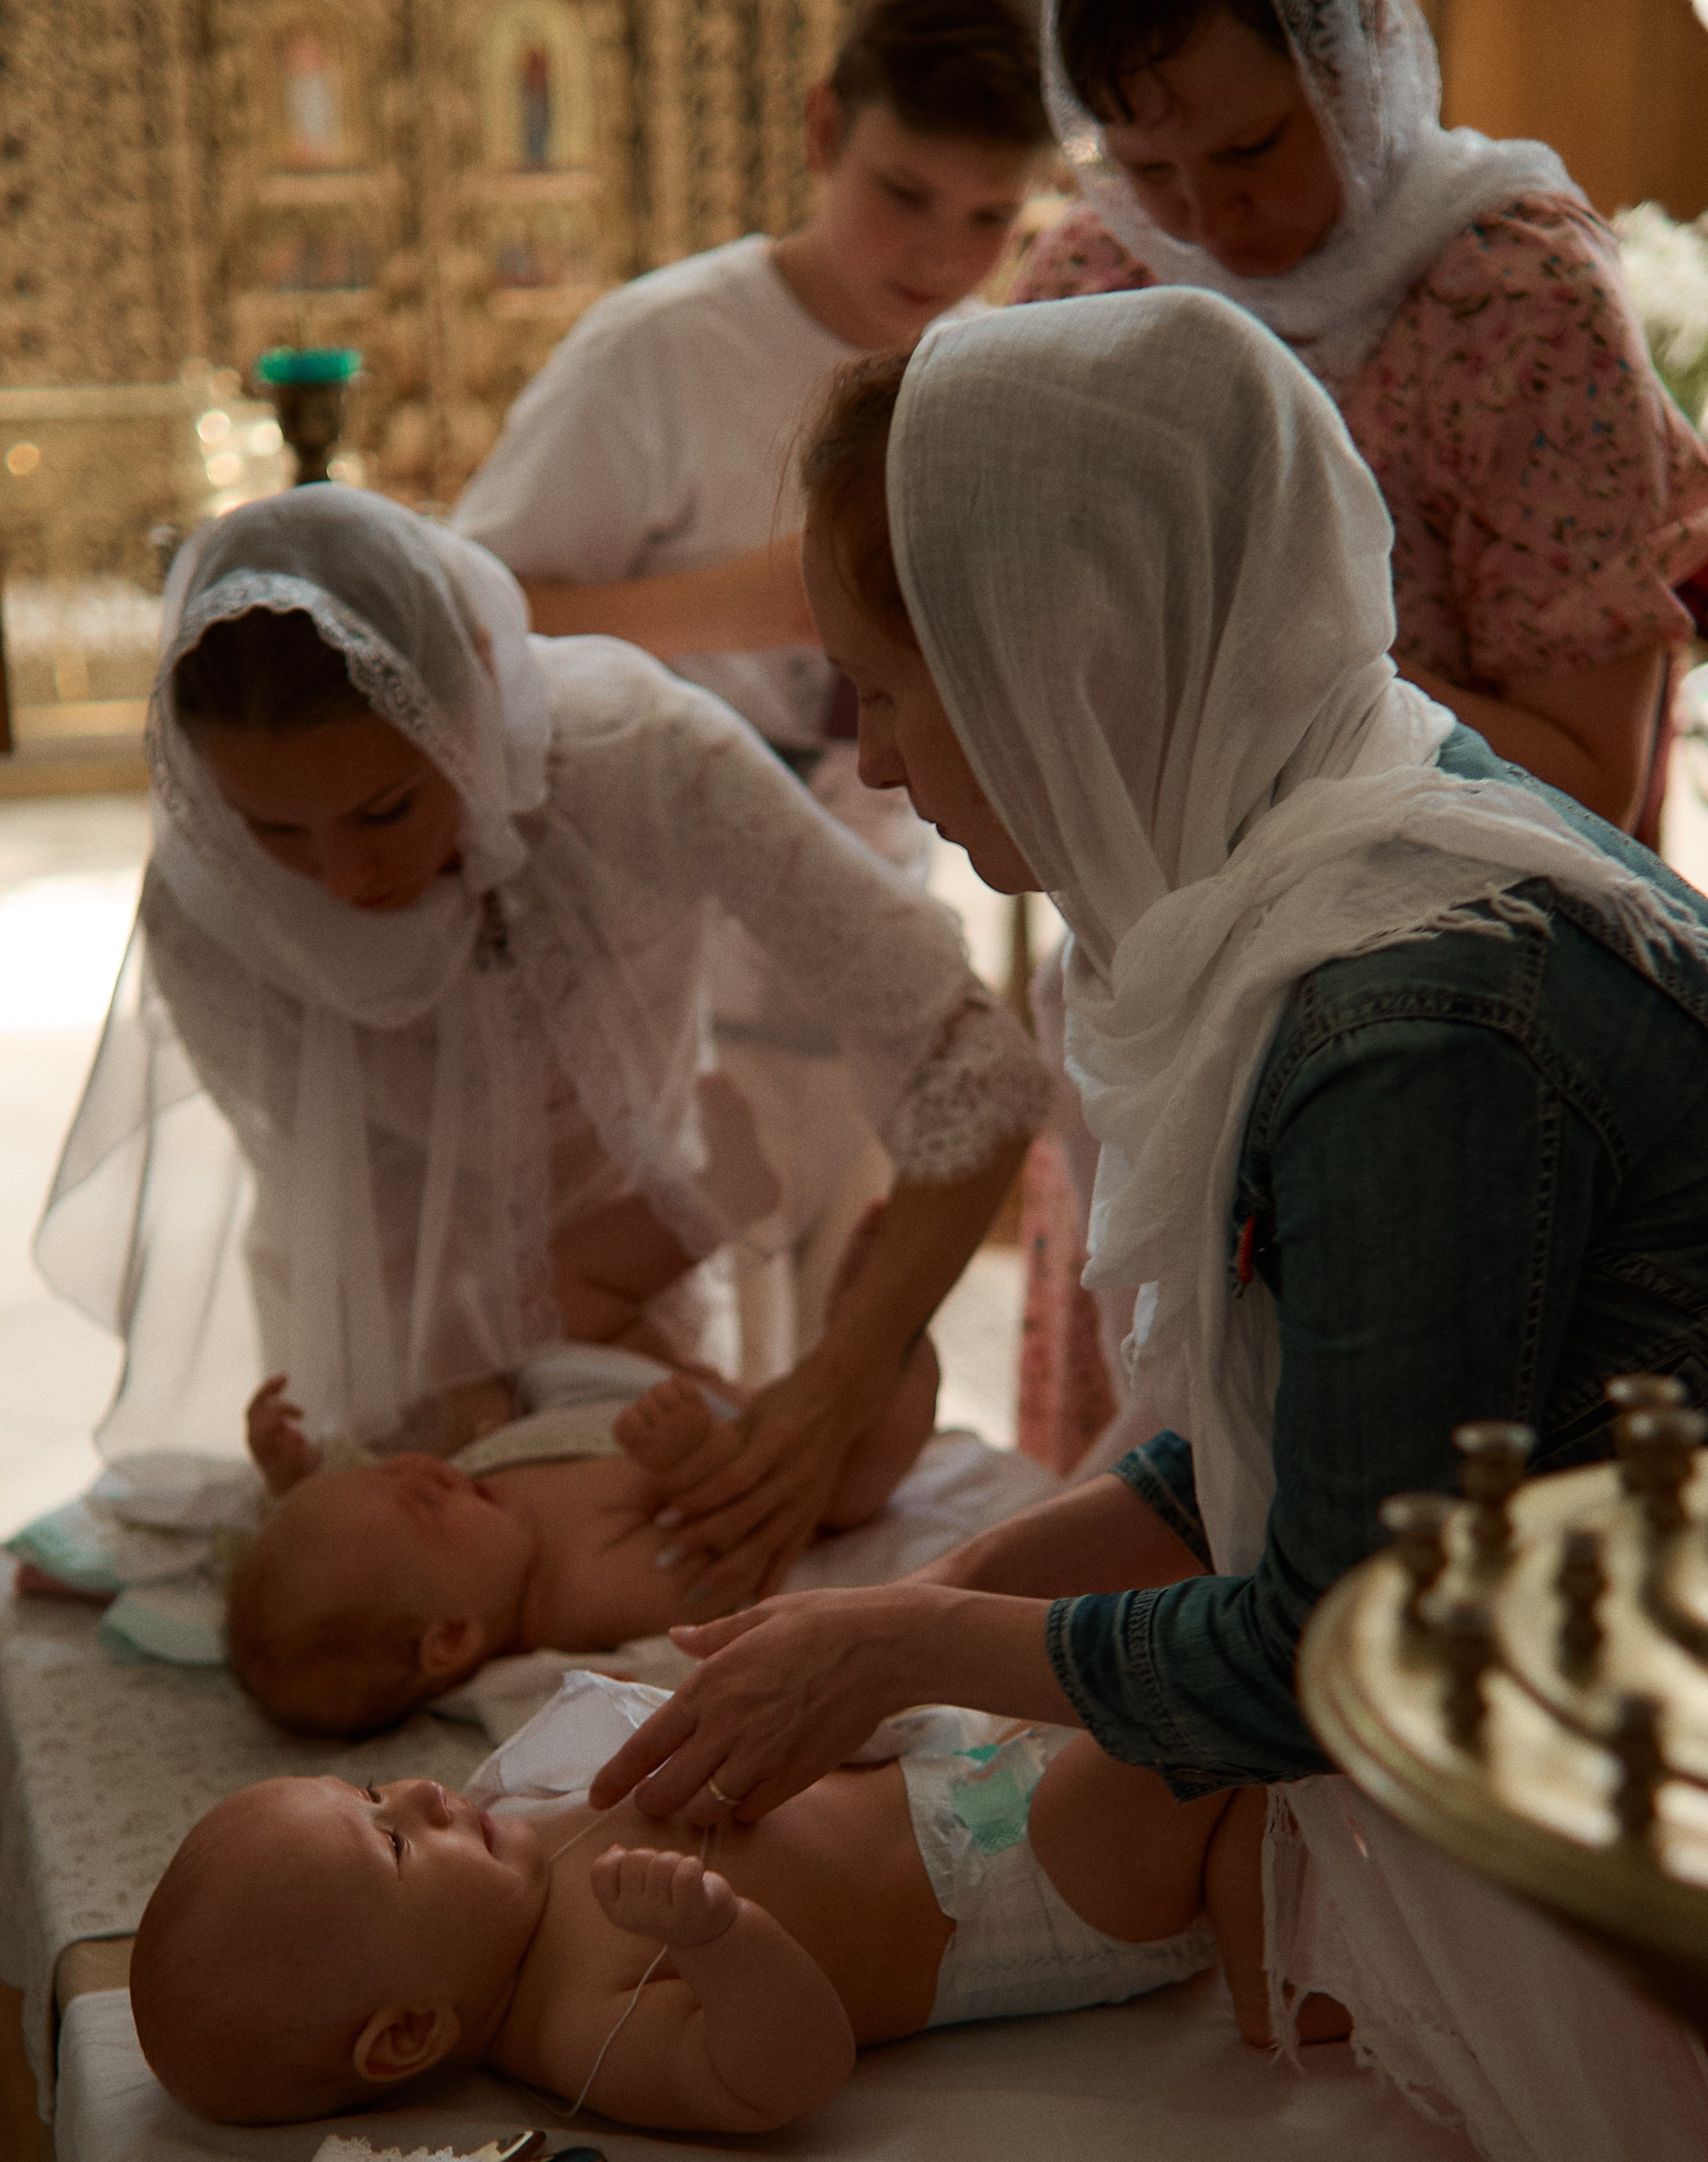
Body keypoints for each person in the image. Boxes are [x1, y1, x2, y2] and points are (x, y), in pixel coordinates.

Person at [578, 293, 1708, 1855]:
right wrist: (944, 1594)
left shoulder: (1412, 1028)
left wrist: (909, 1647)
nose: (878, 758)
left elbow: (1343, 1658)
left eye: (889, 691)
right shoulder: (1333, 816)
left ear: (1072, 663)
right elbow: (1333, 1426)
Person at [36, 485, 1049, 1611]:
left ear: (475, 682)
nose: (343, 876)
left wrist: (843, 1377)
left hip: (628, 1323)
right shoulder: (212, 904)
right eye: (275, 827)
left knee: (747, 1495)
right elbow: (348, 1200)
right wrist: (385, 1452)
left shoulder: (634, 757)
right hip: (383, 1336)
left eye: (384, 809)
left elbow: (972, 1057)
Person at [1005, 0, 1708, 1470]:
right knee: (1147, 1483)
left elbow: (1585, 773)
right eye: (1146, 165)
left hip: (1438, 1025)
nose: (1206, 216)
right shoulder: (1093, 280)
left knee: (1380, 1504)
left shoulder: (1504, 291)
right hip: (1164, 1012)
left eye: (1251, 148)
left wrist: (1270, 657)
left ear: (1359, 66)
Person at [130, 1690, 1332, 2136]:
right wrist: (720, 1939)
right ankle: (1260, 1975)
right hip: (1029, 1885)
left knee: (1138, 1639)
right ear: (408, 2031)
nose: (419, 1792)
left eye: (370, 1789)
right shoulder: (575, 2024)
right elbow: (785, 2079)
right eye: (394, 1841)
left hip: (960, 1767)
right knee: (1212, 1710)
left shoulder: (518, 1825)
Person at [451, 0, 1051, 874]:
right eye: (903, 194)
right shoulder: (658, 348)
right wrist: (745, 607)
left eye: (990, 217)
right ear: (824, 130)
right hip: (645, 864)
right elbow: (470, 623)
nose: (938, 255)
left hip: (880, 864)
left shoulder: (989, 370)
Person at [231, 1220, 940, 1739]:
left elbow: (356, 1526)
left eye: (382, 1473)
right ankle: (867, 1327)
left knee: (550, 1285)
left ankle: (707, 1196)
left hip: (600, 1391)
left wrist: (297, 1476)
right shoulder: (583, 1593)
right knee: (879, 1445)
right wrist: (690, 1454)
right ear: (451, 1638)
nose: (420, 1469)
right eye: (419, 1499)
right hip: (759, 1456)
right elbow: (723, 1553)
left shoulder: (465, 1528)